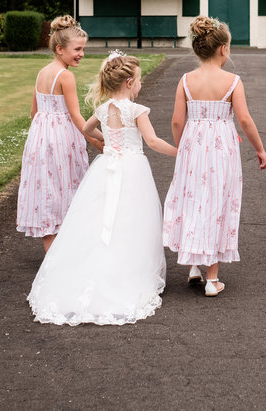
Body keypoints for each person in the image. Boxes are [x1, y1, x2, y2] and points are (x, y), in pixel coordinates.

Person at [28, 51, 176, 325]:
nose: (141, 85)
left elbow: (85, 127)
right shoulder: (136, 110)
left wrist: (108, 141)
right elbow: (153, 142)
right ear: (130, 82)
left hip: (107, 165)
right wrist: (180, 152)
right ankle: (127, 270)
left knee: (98, 218)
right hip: (131, 168)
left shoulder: (103, 109)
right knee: (131, 219)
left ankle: (92, 267)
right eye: (140, 80)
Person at [162, 16, 266, 297]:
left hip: (192, 147)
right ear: (223, 49)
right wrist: (259, 148)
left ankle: (194, 266)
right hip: (222, 149)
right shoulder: (232, 81)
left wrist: (182, 147)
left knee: (195, 200)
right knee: (217, 202)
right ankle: (212, 278)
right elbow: (244, 120)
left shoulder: (186, 81)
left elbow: (176, 121)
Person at [16, 15, 101, 252]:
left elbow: (34, 112)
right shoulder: (65, 76)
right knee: (65, 185)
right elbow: (76, 117)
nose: (82, 53)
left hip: (40, 138)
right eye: (78, 49)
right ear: (60, 49)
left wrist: (43, 134)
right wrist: (98, 140)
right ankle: (62, 254)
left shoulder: (42, 72)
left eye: (83, 48)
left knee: (48, 188)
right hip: (62, 139)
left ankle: (52, 251)